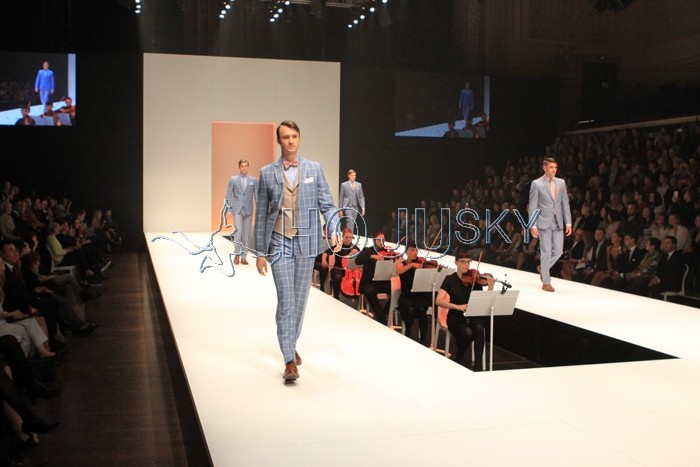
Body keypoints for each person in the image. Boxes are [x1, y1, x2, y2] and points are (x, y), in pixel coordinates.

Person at [254, 120, 337, 383]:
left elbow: (327, 204)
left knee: (300, 301)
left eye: (294, 136)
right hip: (279, 241)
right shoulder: (267, 173)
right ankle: (289, 359)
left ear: (299, 138)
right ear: (278, 141)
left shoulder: (315, 169)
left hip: (307, 242)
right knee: (286, 299)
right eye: (285, 136)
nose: (290, 140)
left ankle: (290, 341)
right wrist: (259, 252)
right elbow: (261, 214)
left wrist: (334, 227)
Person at [435, 248, 494, 371]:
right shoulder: (450, 279)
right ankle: (459, 357)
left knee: (479, 328)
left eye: (468, 262)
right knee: (468, 333)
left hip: (472, 317)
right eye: (463, 262)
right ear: (456, 262)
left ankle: (478, 365)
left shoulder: (474, 279)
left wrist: (490, 288)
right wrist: (457, 306)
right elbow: (438, 300)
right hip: (456, 318)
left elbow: (482, 302)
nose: (466, 265)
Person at [529, 157, 572, 292]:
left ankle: (543, 268)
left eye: (555, 167)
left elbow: (565, 203)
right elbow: (533, 206)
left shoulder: (561, 183)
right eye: (551, 167)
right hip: (543, 222)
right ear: (544, 168)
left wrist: (568, 222)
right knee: (546, 251)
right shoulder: (537, 184)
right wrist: (533, 225)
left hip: (558, 221)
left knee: (558, 251)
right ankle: (546, 282)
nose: (554, 170)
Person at [395, 242, 432, 346]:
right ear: (406, 251)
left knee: (422, 311)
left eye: (416, 250)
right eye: (412, 250)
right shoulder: (401, 264)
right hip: (406, 296)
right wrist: (411, 265)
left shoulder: (420, 264)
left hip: (419, 296)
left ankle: (423, 338)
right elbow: (398, 272)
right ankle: (408, 332)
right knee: (410, 309)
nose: (415, 252)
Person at [355, 230, 394, 326]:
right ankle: (381, 318)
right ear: (374, 240)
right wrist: (371, 256)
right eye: (379, 240)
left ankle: (383, 314)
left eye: (383, 240)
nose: (381, 242)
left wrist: (393, 256)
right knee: (369, 291)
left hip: (383, 281)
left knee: (396, 291)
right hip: (369, 282)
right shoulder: (367, 251)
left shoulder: (387, 252)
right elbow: (357, 261)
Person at [226, 159, 257, 265]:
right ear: (239, 167)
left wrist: (259, 211)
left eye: (246, 166)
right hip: (237, 209)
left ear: (248, 167)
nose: (244, 168)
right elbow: (228, 195)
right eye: (242, 166)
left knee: (246, 235)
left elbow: (256, 196)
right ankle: (237, 254)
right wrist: (228, 209)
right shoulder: (233, 179)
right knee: (238, 233)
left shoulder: (253, 180)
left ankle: (244, 257)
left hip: (248, 210)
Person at [339, 169, 365, 233]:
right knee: (350, 220)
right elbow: (341, 197)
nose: (353, 177)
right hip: (347, 206)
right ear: (348, 176)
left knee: (352, 221)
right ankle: (349, 235)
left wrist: (363, 208)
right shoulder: (344, 185)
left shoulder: (359, 185)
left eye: (354, 175)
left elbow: (361, 197)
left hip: (356, 206)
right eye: (352, 175)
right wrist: (340, 210)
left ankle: (348, 234)